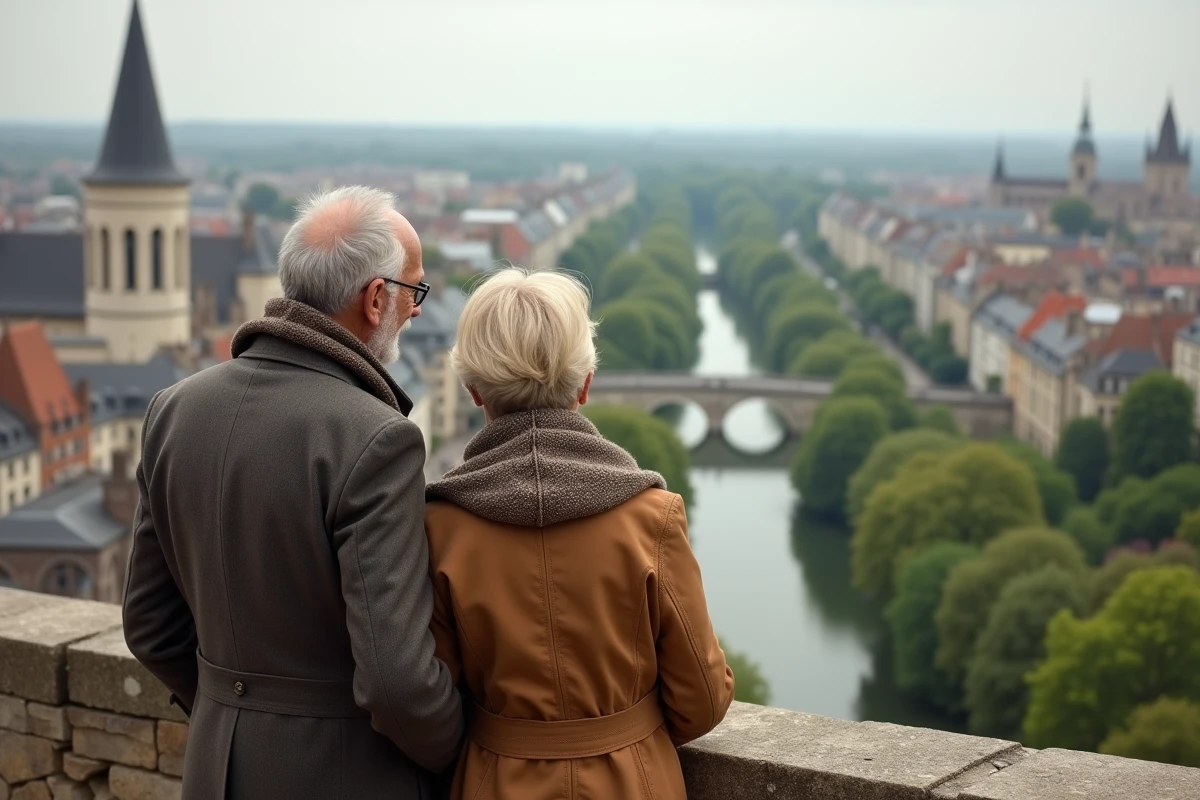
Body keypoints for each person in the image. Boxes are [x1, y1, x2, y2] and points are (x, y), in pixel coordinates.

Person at [122, 186, 463, 799]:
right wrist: (459, 755)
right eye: (414, 291)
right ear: (375, 299)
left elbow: (150, 627)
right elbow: (398, 683)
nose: (416, 311)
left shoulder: (172, 410)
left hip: (215, 770)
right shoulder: (375, 437)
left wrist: (236, 710)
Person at [425, 268, 734, 799]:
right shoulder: (652, 517)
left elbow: (432, 696)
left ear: (474, 391)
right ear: (586, 384)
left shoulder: (439, 526)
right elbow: (701, 700)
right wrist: (627, 736)